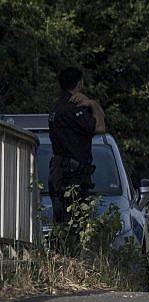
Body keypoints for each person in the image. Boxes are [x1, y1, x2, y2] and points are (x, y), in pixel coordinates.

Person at [48, 67, 106, 225]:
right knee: (75, 221)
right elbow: (100, 127)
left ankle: (60, 249)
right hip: (72, 174)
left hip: (58, 171)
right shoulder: (74, 109)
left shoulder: (56, 108)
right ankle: (70, 250)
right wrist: (93, 104)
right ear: (80, 84)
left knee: (60, 221)